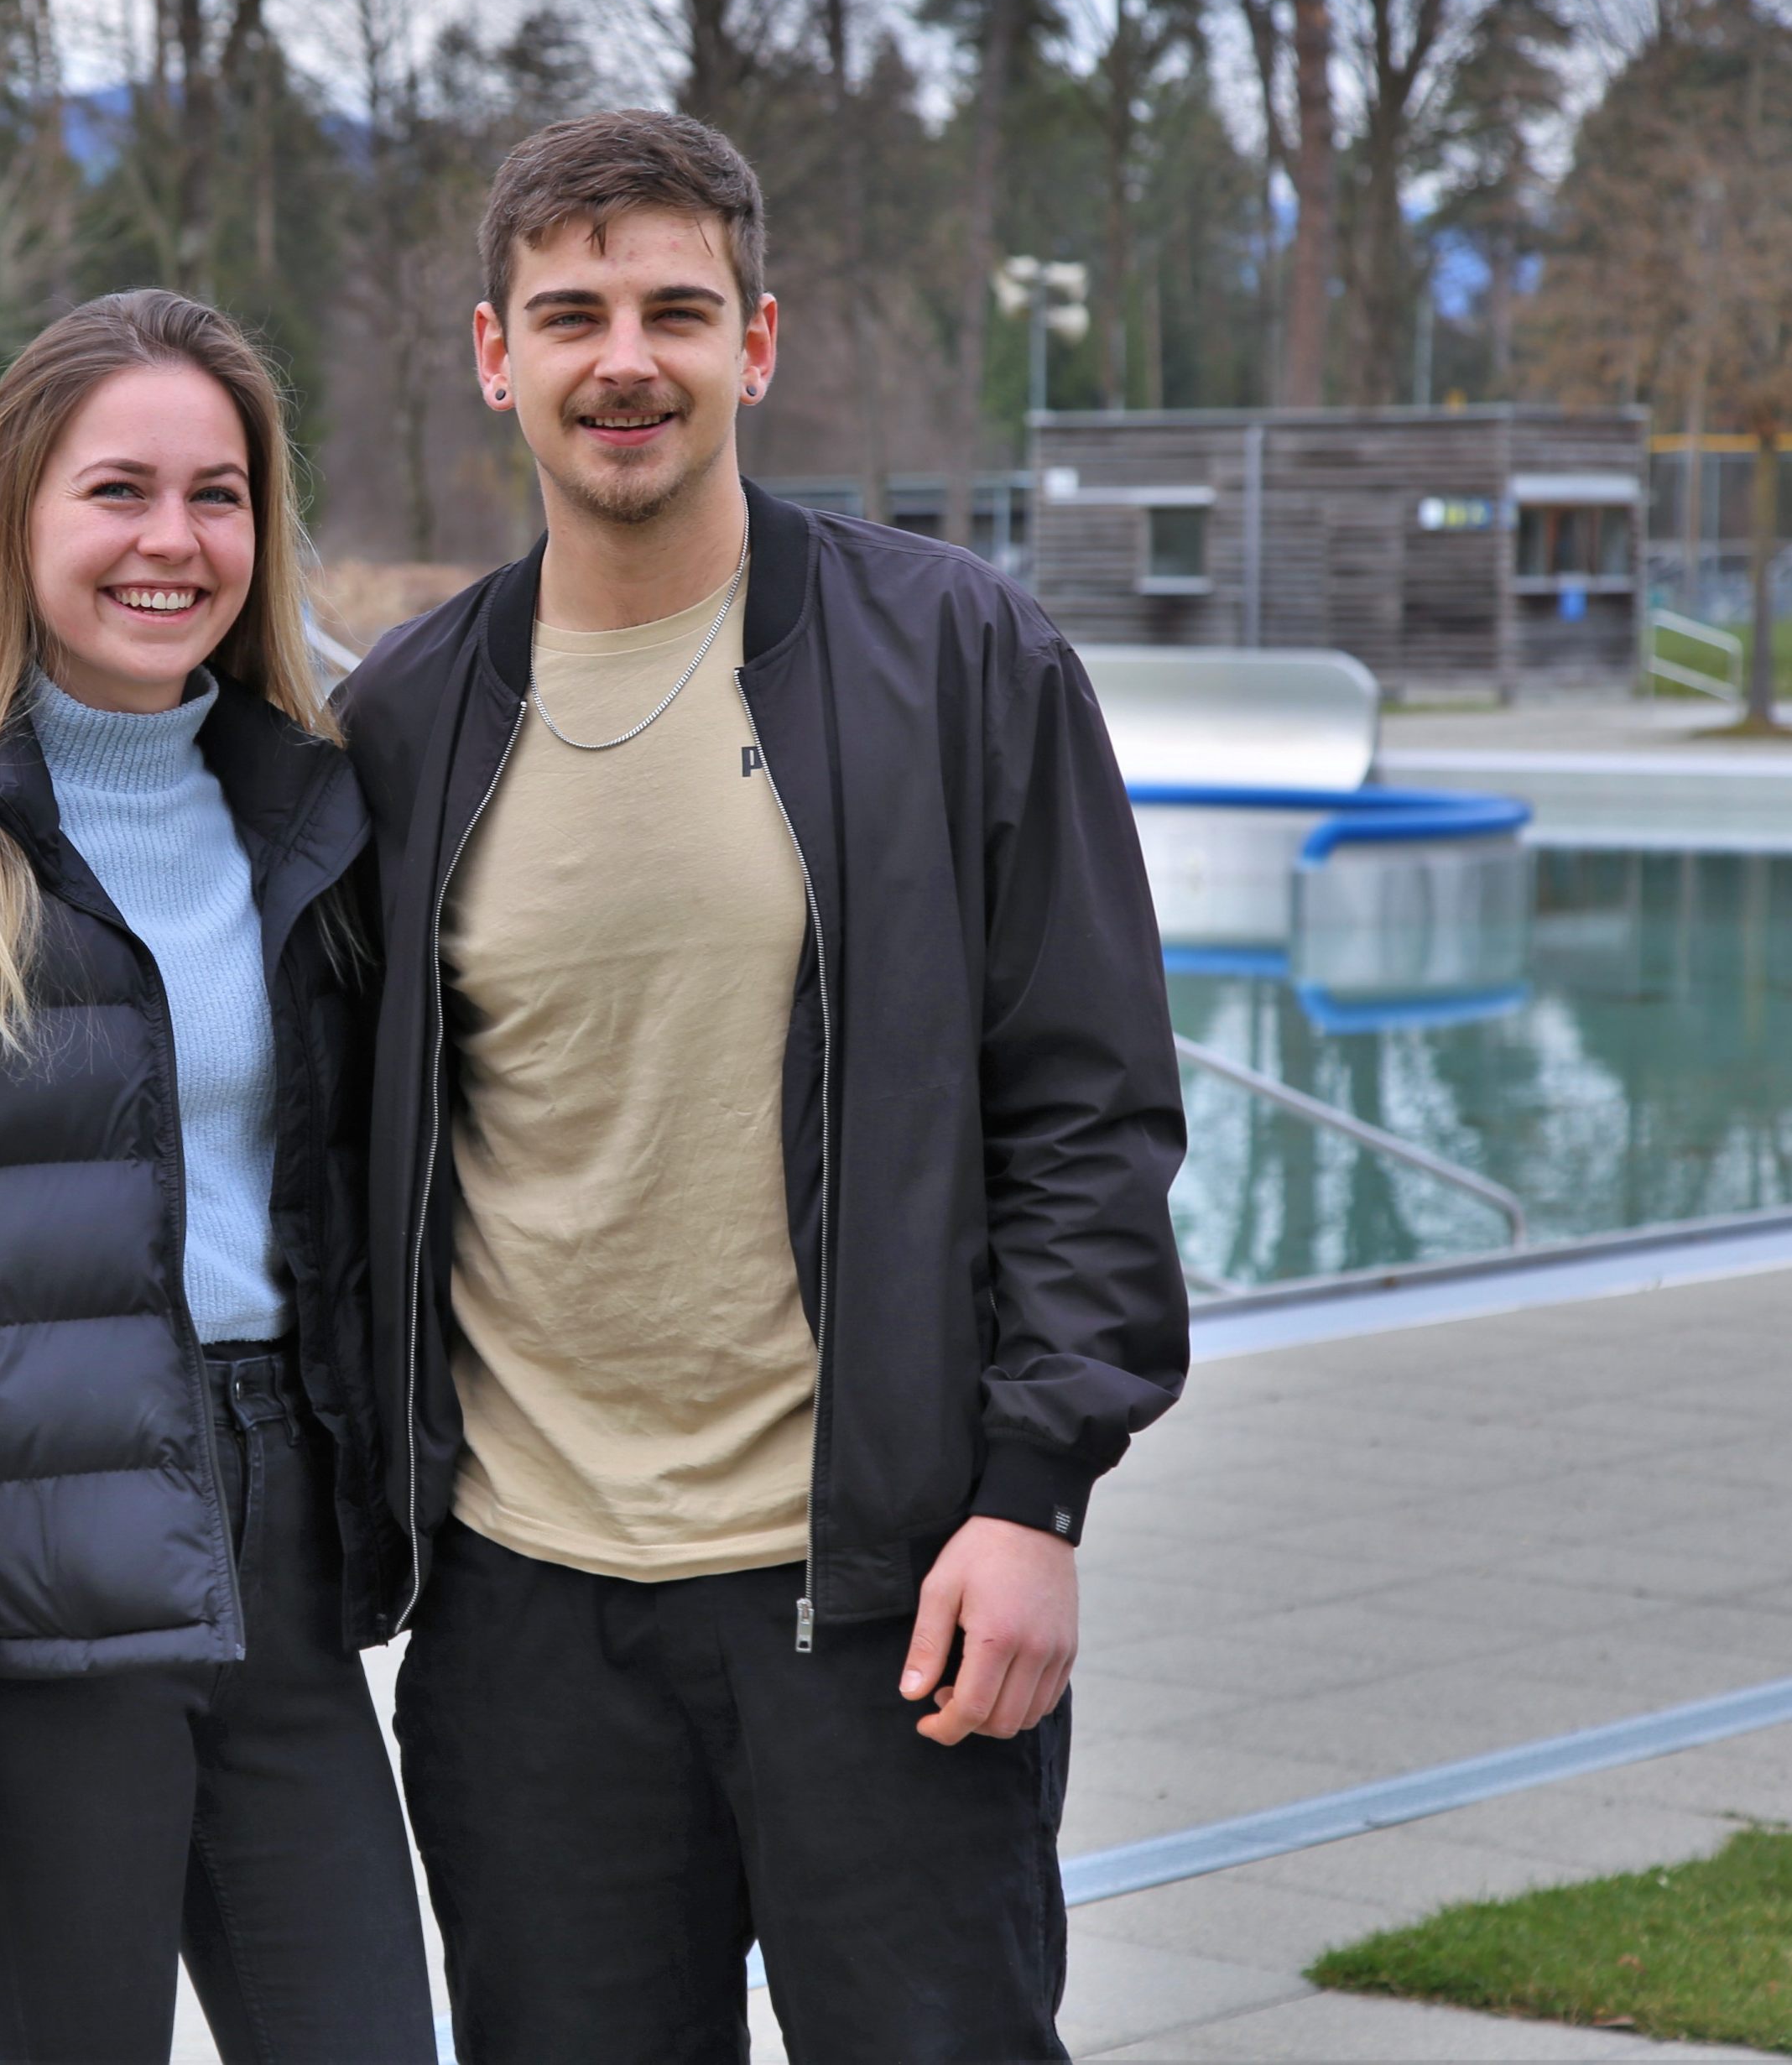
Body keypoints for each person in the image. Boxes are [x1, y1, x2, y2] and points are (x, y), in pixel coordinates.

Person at [335, 110, 1190, 2063]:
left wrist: (1035, 1494)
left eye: (674, 309)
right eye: (570, 313)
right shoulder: (406, 718)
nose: (622, 356)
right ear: (495, 355)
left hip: (880, 1596)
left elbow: (1089, 1105)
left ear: (759, 341)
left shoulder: (957, 656)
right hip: (524, 1617)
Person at [0, 290, 435, 2065]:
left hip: (284, 1551)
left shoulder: (320, 816)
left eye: (219, 495)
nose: (172, 542)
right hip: (33, 1589)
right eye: (119, 491)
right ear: (18, 517)